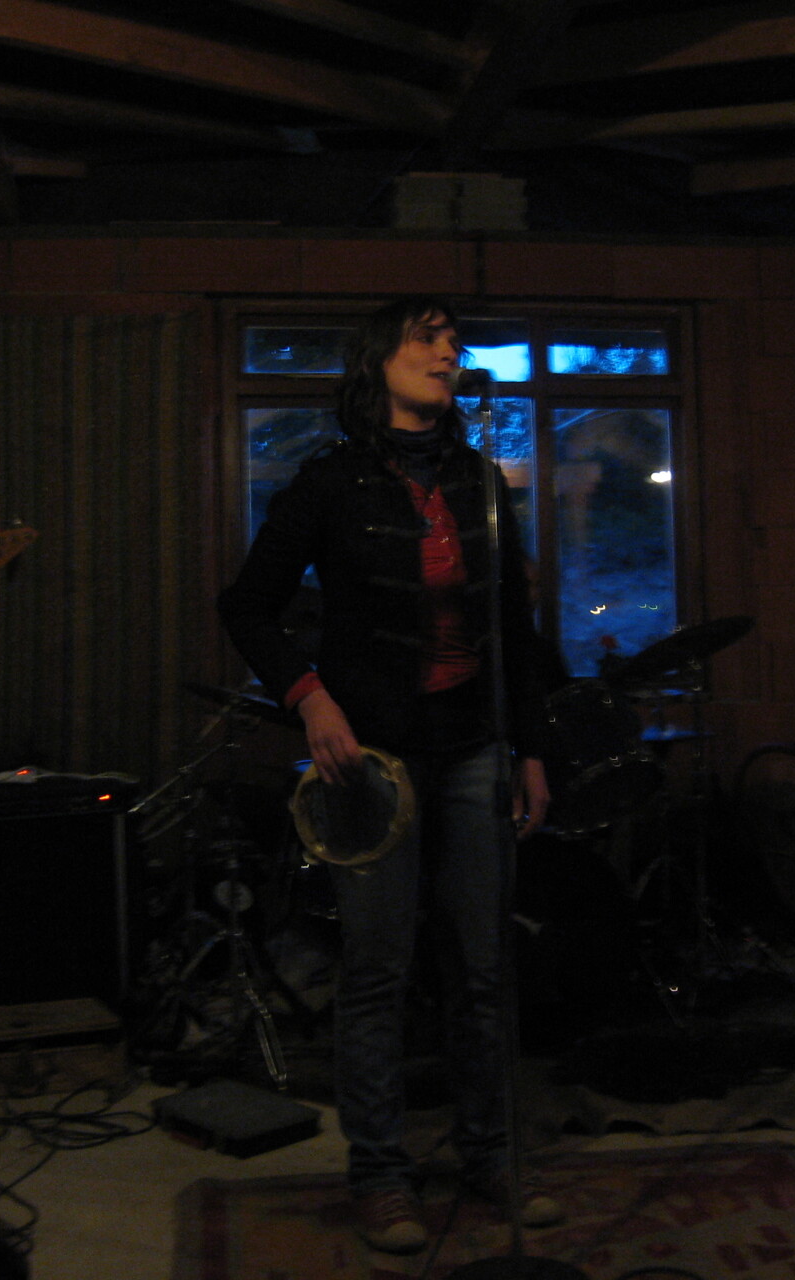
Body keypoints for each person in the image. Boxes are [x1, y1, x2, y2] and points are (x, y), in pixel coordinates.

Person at [218, 297, 562, 1253]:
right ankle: (379, 1174)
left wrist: (532, 747)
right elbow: (247, 606)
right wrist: (309, 698)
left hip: (474, 746)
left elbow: (514, 627)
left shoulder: (477, 479)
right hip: (373, 757)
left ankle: (491, 1156)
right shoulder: (328, 482)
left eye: (453, 339)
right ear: (378, 362)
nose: (449, 350)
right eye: (427, 336)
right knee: (377, 970)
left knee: (483, 967)